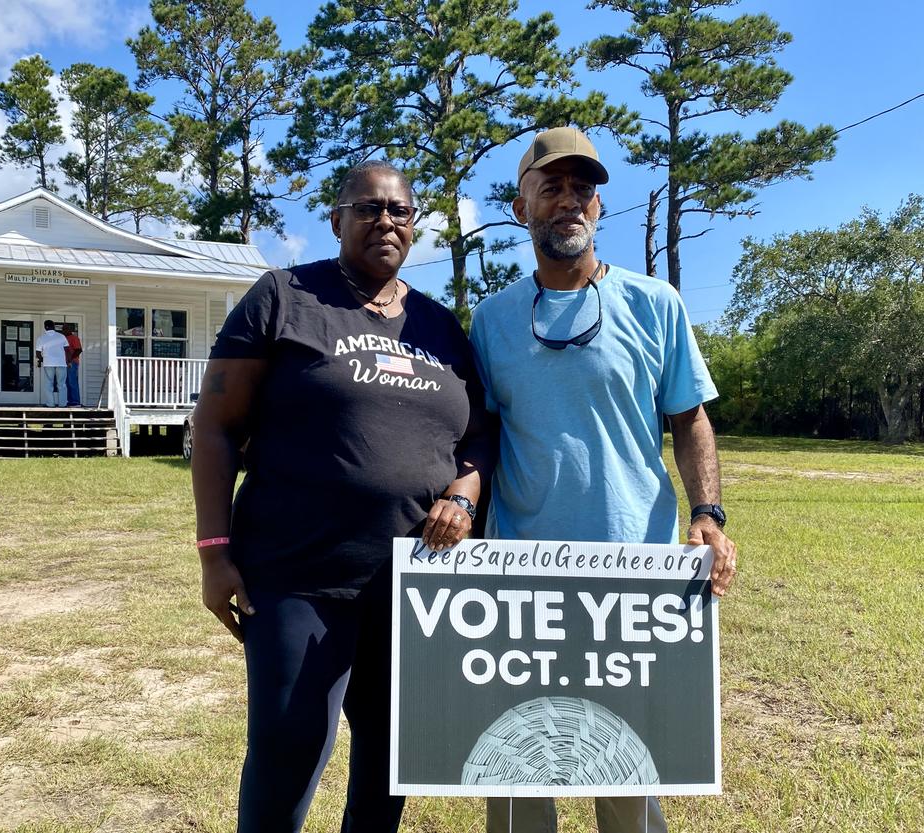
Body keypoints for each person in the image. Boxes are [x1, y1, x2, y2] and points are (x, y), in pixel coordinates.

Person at [190, 160, 493, 833]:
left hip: (410, 589)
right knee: (291, 752)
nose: (386, 220)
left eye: (400, 211)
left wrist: (466, 494)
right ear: (337, 219)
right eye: (368, 207)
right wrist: (214, 551)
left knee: (390, 764)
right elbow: (214, 425)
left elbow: (478, 438)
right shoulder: (284, 297)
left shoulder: (441, 329)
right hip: (299, 575)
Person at [470, 127, 739, 833]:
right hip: (519, 580)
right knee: (523, 766)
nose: (569, 201)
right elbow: (481, 439)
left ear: (598, 207)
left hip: (633, 576)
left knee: (626, 774)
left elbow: (690, 419)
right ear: (520, 202)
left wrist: (708, 512)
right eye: (551, 186)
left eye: (583, 188)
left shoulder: (656, 304)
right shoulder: (492, 319)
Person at [34, 319, 70, 408]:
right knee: (62, 384)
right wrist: (68, 361)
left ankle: (50, 404)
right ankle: (63, 404)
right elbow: (67, 350)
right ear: (53, 326)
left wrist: (43, 359)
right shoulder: (61, 336)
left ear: (44, 327)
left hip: (48, 364)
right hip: (61, 363)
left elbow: (38, 353)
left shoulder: (41, 338)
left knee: (48, 384)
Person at [61, 323, 82, 406]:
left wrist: (70, 359)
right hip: (64, 363)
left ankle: (75, 402)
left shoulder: (74, 338)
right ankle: (70, 401)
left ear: (70, 329)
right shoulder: (63, 338)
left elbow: (78, 350)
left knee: (72, 381)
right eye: (63, 328)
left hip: (72, 363)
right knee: (66, 382)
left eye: (66, 328)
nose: (64, 330)